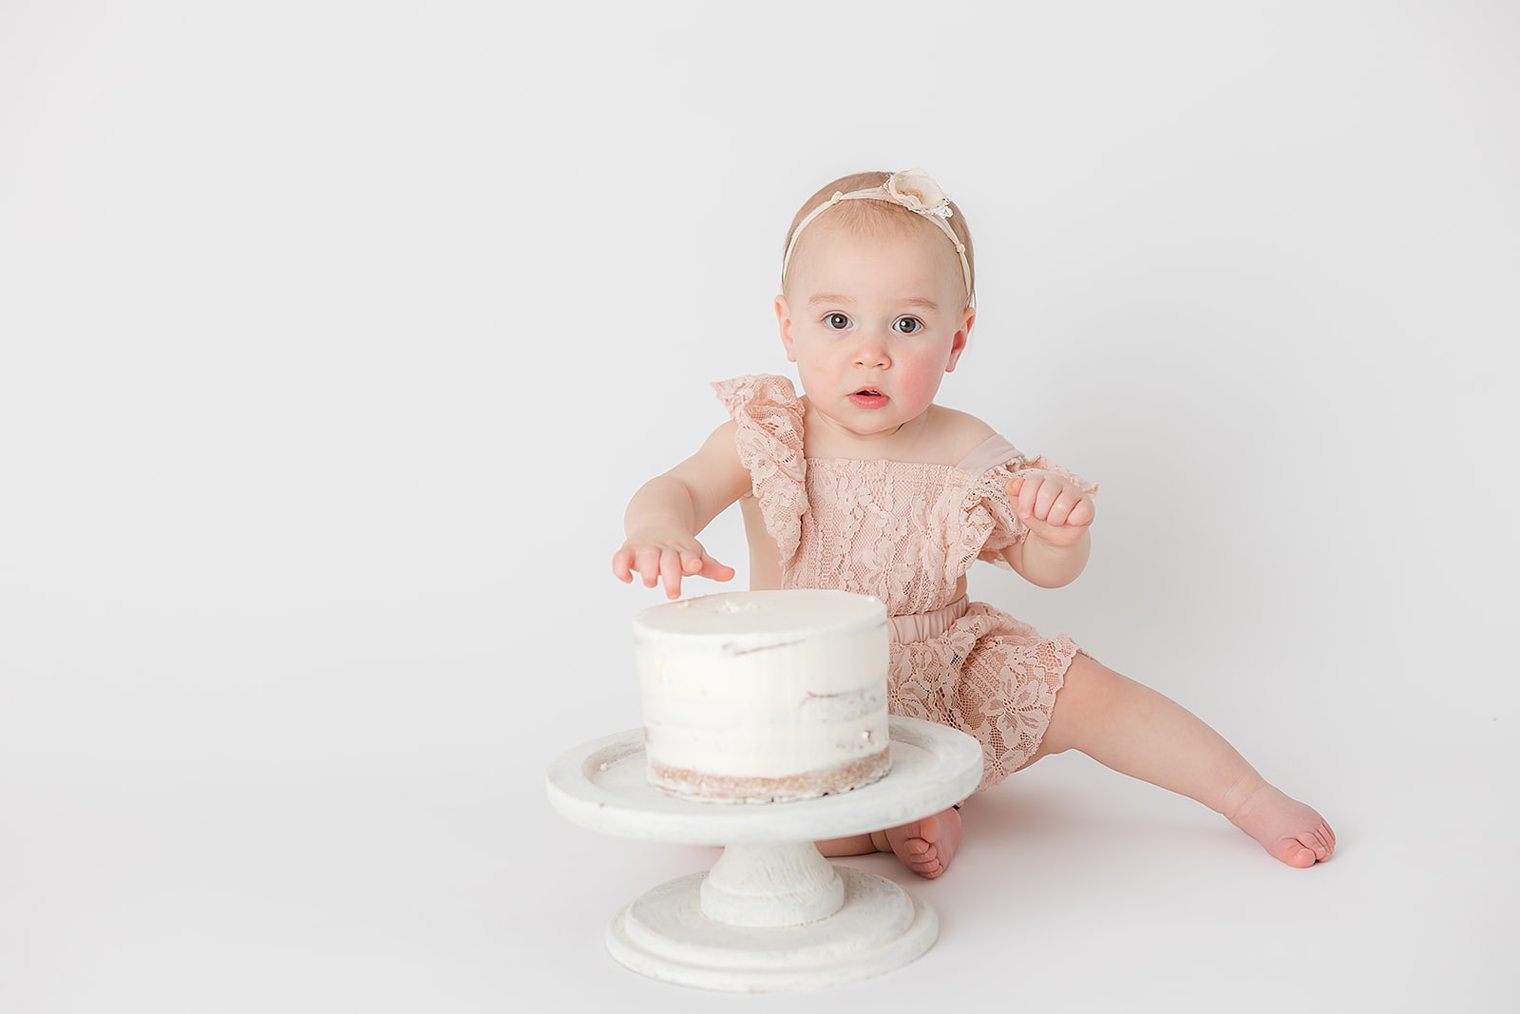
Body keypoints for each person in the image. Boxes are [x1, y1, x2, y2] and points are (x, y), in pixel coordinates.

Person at [611, 168, 1336, 878]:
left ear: (956, 340)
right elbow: (677, 487)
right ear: (787, 327)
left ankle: (1246, 794)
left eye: (907, 323)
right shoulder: (769, 433)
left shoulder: (965, 449)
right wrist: (661, 529)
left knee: (1091, 691)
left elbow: (1045, 573)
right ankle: (908, 816)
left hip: (948, 665)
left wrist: (1058, 534)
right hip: (810, 687)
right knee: (777, 822)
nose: (872, 351)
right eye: (838, 320)